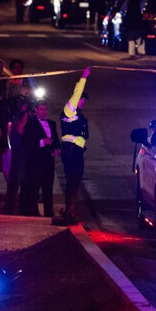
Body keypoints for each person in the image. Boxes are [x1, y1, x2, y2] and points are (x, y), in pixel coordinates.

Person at [54, 67, 91, 225]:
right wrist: (84, 77)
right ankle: (68, 213)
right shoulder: (68, 112)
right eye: (81, 99)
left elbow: (83, 137)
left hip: (77, 153)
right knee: (72, 183)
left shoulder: (79, 116)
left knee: (75, 184)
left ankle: (70, 210)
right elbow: (76, 95)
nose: (82, 102)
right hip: (70, 153)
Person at [20, 100, 60, 217]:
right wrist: (42, 141)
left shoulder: (52, 123)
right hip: (36, 163)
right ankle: (33, 213)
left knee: (48, 189)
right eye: (41, 109)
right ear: (36, 110)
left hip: (48, 162)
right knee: (34, 189)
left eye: (45, 109)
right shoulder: (30, 124)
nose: (43, 112)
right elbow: (27, 142)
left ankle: (49, 213)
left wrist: (57, 149)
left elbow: (56, 140)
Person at [3, 91, 31, 214]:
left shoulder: (19, 114)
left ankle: (18, 206)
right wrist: (25, 116)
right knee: (15, 181)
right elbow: (19, 130)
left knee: (21, 180)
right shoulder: (18, 114)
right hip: (18, 150)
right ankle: (10, 207)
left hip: (22, 149)